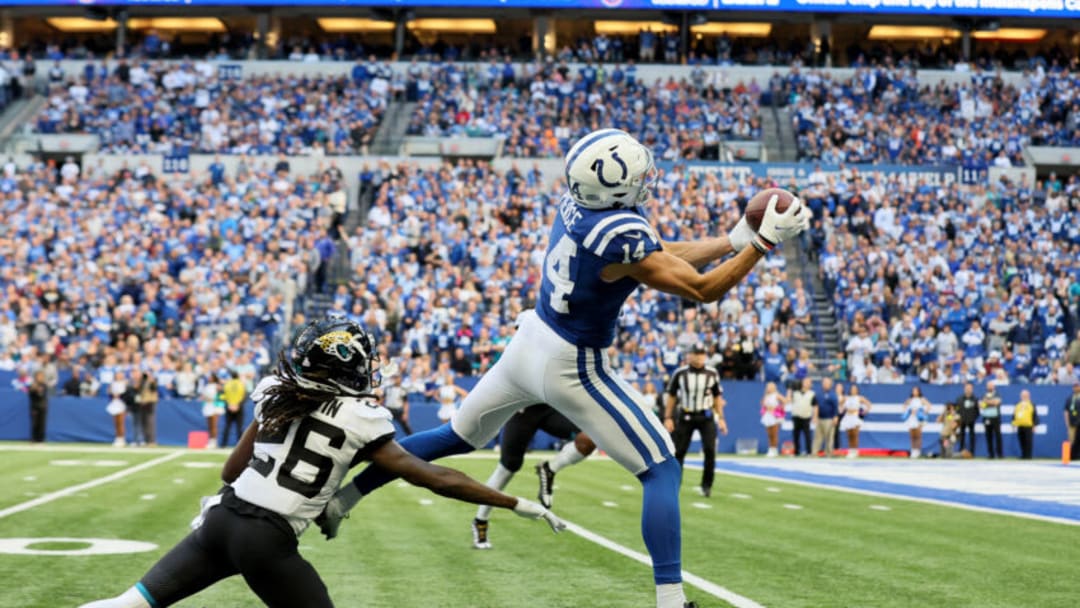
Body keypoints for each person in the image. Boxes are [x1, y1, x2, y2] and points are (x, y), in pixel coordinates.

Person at [316, 128, 809, 608]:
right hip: (571, 361)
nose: (648, 177)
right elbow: (700, 288)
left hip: (530, 340)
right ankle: (671, 600)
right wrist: (760, 246)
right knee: (661, 468)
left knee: (456, 435)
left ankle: (343, 498)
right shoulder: (619, 233)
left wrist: (731, 240)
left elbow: (656, 256)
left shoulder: (582, 205)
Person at [79, 318, 563, 608]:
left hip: (220, 519)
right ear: (351, 367)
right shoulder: (361, 415)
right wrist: (515, 502)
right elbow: (434, 476)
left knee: (135, 602)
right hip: (267, 537)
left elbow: (231, 472)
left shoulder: (274, 391)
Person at [472, 405, 597, 549]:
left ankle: (549, 469)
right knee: (508, 468)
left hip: (549, 407)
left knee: (591, 436)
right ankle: (481, 520)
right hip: (522, 411)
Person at [664, 342, 726, 497]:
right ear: (689, 355)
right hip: (686, 415)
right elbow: (671, 396)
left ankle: (707, 486)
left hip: (706, 416)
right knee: (679, 452)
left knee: (710, 451)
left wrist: (722, 418)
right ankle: (674, 485)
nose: (699, 357)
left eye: (702, 354)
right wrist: (668, 417)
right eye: (696, 354)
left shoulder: (712, 373)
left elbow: (717, 397)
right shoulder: (680, 373)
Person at [840, 384, 871, 458]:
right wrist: (841, 410)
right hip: (847, 417)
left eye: (855, 389)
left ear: (857, 390)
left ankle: (855, 451)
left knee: (855, 434)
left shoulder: (859, 398)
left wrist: (865, 411)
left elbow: (868, 404)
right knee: (849, 435)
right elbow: (840, 404)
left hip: (855, 417)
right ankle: (850, 451)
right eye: (852, 389)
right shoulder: (846, 398)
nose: (853, 390)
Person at [788, 377, 816, 456]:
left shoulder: (812, 394)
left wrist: (815, 417)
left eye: (808, 382)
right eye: (805, 382)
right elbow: (788, 400)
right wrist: (789, 391)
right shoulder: (795, 393)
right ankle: (796, 451)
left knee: (807, 435)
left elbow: (815, 406)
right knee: (796, 435)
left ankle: (809, 452)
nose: (807, 383)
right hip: (796, 416)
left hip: (806, 416)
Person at [812, 377, 839, 457]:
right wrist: (815, 417)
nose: (825, 384)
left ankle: (829, 453)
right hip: (820, 418)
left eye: (827, 383)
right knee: (817, 437)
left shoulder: (833, 394)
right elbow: (816, 406)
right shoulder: (818, 394)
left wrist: (835, 416)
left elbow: (835, 407)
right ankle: (814, 453)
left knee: (829, 437)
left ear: (830, 384)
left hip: (829, 418)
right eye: (824, 383)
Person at [380, 371, 413, 436]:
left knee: (405, 426)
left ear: (400, 378)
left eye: (397, 378)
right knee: (384, 425)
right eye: (394, 378)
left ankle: (411, 437)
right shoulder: (388, 388)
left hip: (398, 410)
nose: (395, 379)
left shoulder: (402, 389)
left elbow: (405, 403)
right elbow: (382, 399)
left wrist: (405, 413)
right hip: (389, 410)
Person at [759, 381, 787, 457]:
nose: (769, 388)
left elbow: (785, 401)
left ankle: (775, 449)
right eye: (768, 387)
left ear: (774, 388)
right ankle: (770, 449)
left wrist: (778, 408)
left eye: (771, 387)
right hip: (767, 416)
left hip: (775, 416)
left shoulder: (777, 395)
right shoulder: (766, 396)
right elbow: (762, 404)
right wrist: (765, 406)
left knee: (774, 434)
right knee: (769, 434)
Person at [902, 386, 930, 458]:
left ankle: (918, 450)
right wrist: (909, 411)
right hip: (911, 418)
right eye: (913, 391)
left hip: (918, 418)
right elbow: (904, 406)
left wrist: (922, 412)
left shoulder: (922, 399)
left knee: (918, 435)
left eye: (916, 391)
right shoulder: (910, 400)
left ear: (919, 392)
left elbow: (929, 406)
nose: (914, 392)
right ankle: (913, 450)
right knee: (912, 436)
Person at [221, 370, 247, 447]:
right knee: (239, 426)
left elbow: (223, 396)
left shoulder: (227, 384)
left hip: (229, 407)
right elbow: (244, 396)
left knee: (227, 426)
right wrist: (238, 405)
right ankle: (240, 445)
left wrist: (229, 404)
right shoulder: (241, 384)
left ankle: (223, 444)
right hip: (239, 407)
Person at [954, 382, 980, 456]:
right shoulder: (959, 399)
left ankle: (972, 452)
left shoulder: (975, 399)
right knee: (962, 436)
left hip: (971, 420)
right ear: (964, 389)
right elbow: (957, 409)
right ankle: (961, 451)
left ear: (972, 389)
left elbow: (977, 411)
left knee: (972, 436)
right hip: (962, 420)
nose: (968, 390)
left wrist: (973, 418)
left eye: (970, 388)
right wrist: (959, 417)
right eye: (967, 388)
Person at [1012, 389, 1038, 460]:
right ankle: (1023, 455)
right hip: (1020, 425)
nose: (1024, 397)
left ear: (1029, 396)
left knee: (1028, 441)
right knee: (1021, 440)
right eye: (1023, 395)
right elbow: (1014, 414)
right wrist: (1013, 423)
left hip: (1029, 425)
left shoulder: (1031, 404)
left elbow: (1035, 415)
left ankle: (1028, 455)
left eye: (1025, 395)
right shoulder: (1018, 404)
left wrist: (1034, 425)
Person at [980, 381, 1003, 459]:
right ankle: (991, 454)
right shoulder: (984, 394)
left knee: (998, 435)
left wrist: (986, 402)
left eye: (991, 386)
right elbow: (981, 406)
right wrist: (990, 402)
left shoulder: (997, 394)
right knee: (988, 436)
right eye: (988, 386)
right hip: (986, 417)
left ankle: (999, 454)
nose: (989, 387)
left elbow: (996, 402)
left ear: (994, 387)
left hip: (995, 417)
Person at [136, 373, 159, 447]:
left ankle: (151, 440)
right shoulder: (142, 383)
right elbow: (138, 391)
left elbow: (154, 388)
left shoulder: (153, 382)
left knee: (150, 423)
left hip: (150, 403)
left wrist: (151, 380)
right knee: (143, 423)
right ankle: (145, 440)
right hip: (142, 404)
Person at [107, 373, 128, 447]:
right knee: (116, 422)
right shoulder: (112, 383)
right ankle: (117, 438)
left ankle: (122, 438)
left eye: (120, 375)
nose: (119, 376)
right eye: (117, 375)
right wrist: (112, 394)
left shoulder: (125, 383)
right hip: (114, 403)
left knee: (121, 422)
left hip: (122, 403)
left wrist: (119, 395)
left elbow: (126, 393)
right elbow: (109, 392)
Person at [28, 370, 48, 443]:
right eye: (39, 376)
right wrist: (34, 389)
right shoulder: (32, 385)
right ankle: (34, 438)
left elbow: (43, 395)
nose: (40, 378)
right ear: (36, 377)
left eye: (41, 376)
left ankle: (41, 439)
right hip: (35, 406)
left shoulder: (44, 385)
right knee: (34, 423)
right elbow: (30, 395)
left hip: (42, 406)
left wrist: (39, 390)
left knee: (42, 423)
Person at [1064, 382, 1080, 448]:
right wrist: (1067, 422)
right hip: (1072, 422)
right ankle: (1072, 456)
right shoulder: (1070, 398)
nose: (1076, 388)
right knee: (1071, 440)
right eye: (1075, 387)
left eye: (1077, 386)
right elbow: (1066, 411)